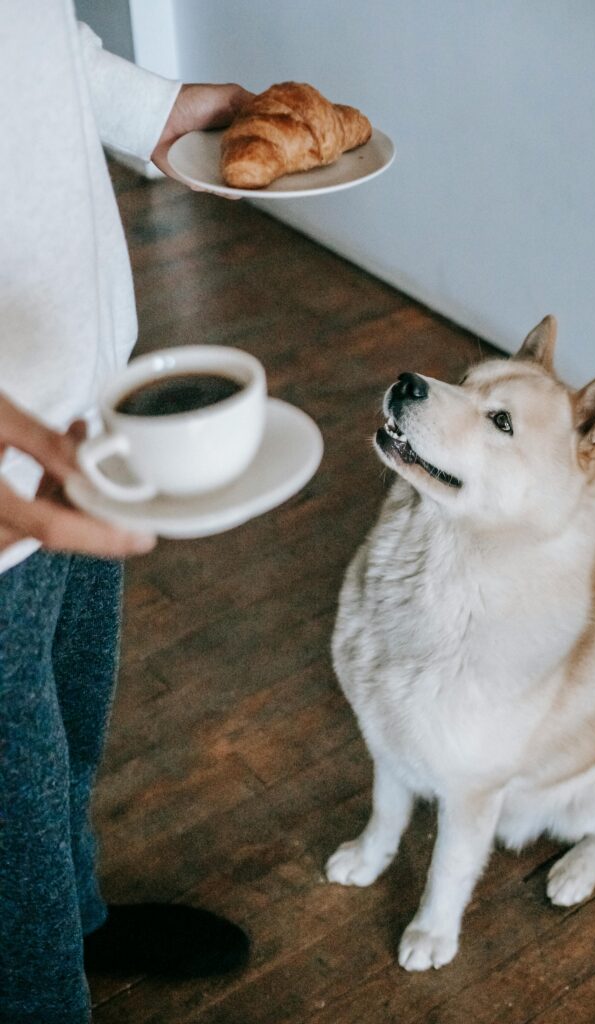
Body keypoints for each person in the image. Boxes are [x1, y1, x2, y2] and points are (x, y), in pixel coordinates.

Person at [0, 4, 255, 1021]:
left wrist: (150, 109)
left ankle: (74, 918)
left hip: (79, 404)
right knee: (7, 799)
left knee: (68, 714)